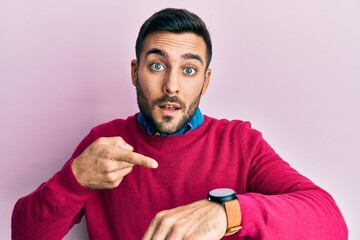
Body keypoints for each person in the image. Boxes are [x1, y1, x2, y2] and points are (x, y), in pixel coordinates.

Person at [12, 8, 348, 240]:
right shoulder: (103, 144)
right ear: (135, 72)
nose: (172, 86)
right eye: (157, 66)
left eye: (189, 70)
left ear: (205, 81)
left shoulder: (239, 142)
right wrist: (74, 181)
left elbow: (332, 223)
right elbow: (25, 234)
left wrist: (227, 214)